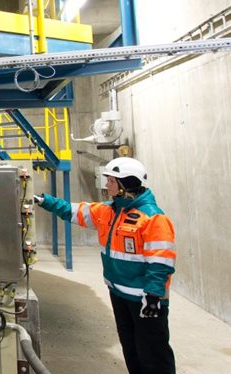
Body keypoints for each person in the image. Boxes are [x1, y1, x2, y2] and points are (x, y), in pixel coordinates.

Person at [33, 157, 176, 374]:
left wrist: (154, 296)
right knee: (131, 351)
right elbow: (73, 211)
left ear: (126, 183)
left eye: (111, 180)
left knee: (153, 355)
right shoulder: (108, 211)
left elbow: (161, 261)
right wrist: (43, 200)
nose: (106, 184)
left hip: (145, 300)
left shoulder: (153, 218)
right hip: (118, 294)